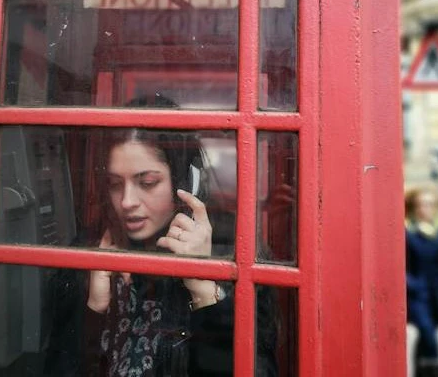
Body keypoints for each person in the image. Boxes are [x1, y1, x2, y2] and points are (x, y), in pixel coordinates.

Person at [44, 95, 278, 376]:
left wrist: (204, 289)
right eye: (114, 184)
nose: (127, 201)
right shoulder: (87, 251)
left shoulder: (234, 250)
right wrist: (93, 310)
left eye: (147, 183)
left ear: (185, 180)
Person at [406, 186, 438, 377]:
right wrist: (413, 285)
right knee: (427, 333)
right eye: (420, 205)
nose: (425, 209)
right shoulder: (409, 233)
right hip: (418, 295)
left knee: (428, 337)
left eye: (429, 204)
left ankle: (422, 371)